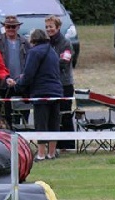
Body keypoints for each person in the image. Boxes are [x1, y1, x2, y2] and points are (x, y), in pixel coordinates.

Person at [15, 29, 63, 161]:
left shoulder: (34, 52)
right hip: (56, 92)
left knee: (41, 123)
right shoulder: (52, 51)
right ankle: (51, 153)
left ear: (33, 40)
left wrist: (17, 85)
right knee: (54, 123)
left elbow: (28, 74)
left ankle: (41, 154)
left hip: (41, 92)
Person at [0, 15, 31, 129]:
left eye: (13, 27)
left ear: (18, 27)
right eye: (8, 27)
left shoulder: (25, 42)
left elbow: (30, 61)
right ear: (4, 27)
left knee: (24, 114)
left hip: (21, 84)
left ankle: (22, 140)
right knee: (6, 116)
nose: (10, 29)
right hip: (4, 85)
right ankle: (8, 141)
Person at [45, 15, 75, 152]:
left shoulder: (66, 43)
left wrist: (48, 64)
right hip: (50, 84)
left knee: (65, 114)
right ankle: (54, 145)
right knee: (53, 115)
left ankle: (68, 145)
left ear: (58, 28)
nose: (48, 29)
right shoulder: (45, 43)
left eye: (51, 27)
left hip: (64, 84)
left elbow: (64, 61)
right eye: (46, 27)